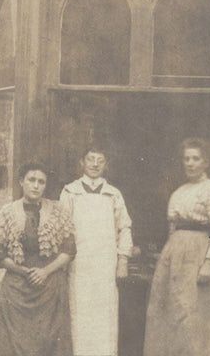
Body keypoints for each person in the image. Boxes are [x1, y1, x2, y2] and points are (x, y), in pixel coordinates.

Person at [143, 137, 210, 356]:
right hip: (174, 259)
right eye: (186, 159)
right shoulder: (178, 192)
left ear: (206, 162)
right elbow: (172, 230)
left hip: (198, 258)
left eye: (196, 158)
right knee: (169, 315)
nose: (190, 163)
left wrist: (208, 264)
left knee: (193, 318)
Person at [0, 162, 76, 356]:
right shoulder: (6, 212)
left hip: (50, 289)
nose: (36, 185)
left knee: (50, 345)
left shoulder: (58, 211)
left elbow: (69, 250)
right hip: (16, 290)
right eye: (31, 180)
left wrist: (45, 271)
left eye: (41, 181)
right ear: (21, 181)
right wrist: (25, 272)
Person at [60, 145, 133, 356]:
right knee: (80, 315)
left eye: (99, 160)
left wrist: (123, 261)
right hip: (79, 265)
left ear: (106, 165)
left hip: (105, 266)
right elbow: (63, 228)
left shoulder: (113, 194)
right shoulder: (70, 191)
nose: (94, 164)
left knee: (105, 317)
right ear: (82, 162)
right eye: (90, 159)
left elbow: (124, 227)